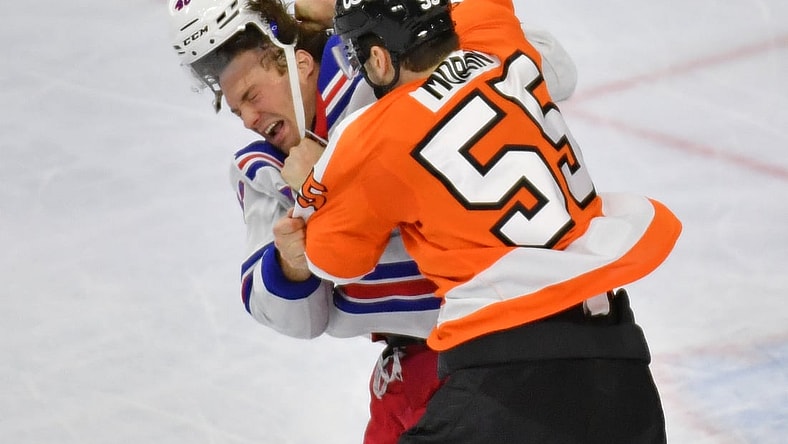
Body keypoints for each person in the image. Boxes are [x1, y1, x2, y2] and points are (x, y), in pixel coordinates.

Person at [167, 0, 580, 441]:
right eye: (236, 110)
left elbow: (553, 70)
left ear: (299, 62)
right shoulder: (263, 171)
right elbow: (298, 319)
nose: (249, 119)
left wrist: (392, 15)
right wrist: (291, 262)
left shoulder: (377, 62)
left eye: (252, 96)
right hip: (414, 371)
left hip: (508, 345)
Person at [292, 0, 683, 442]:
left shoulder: (370, 136)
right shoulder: (502, 42)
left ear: (379, 59)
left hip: (506, 381)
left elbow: (333, 260)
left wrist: (313, 178)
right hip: (619, 362)